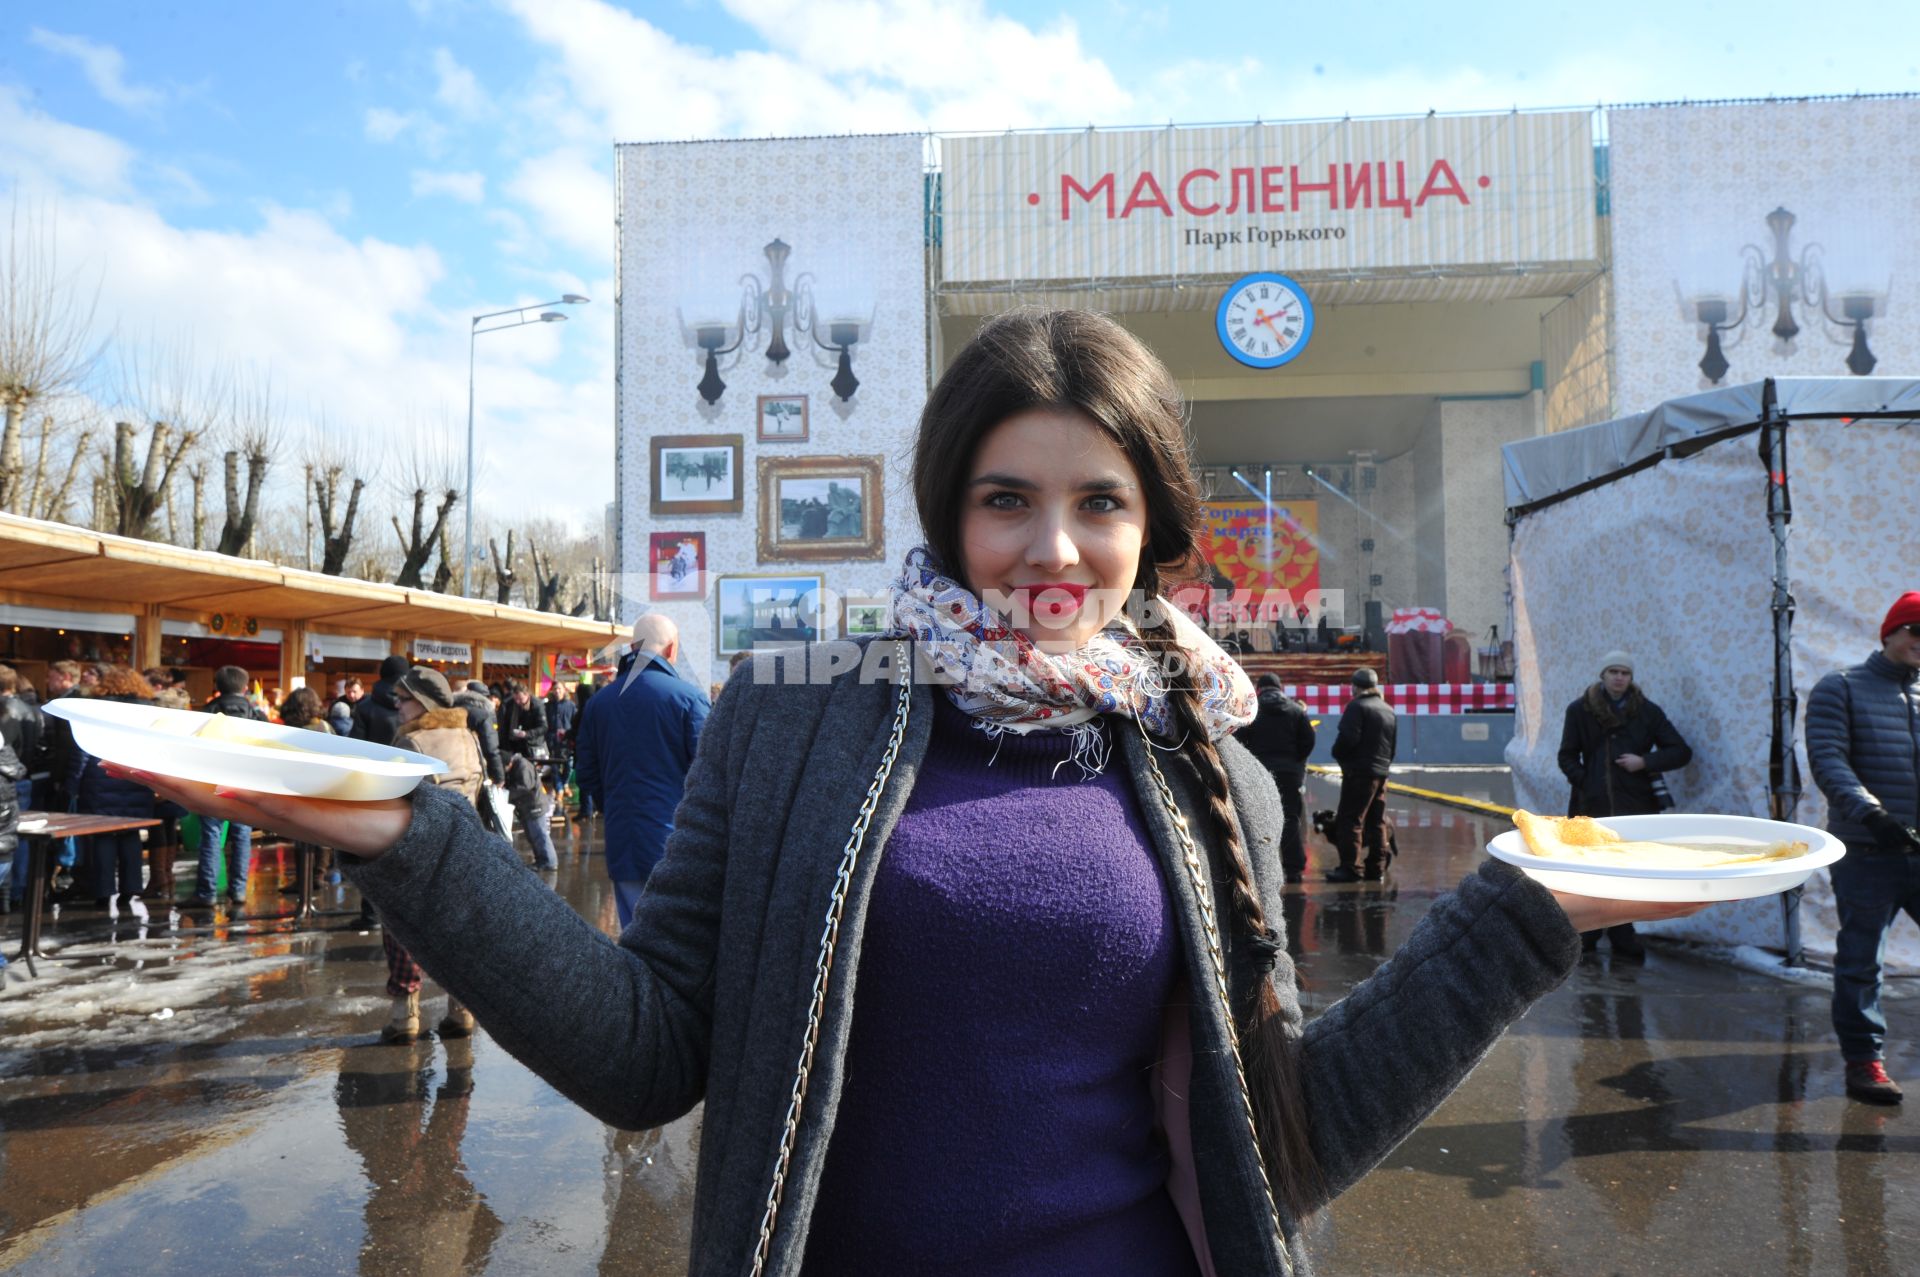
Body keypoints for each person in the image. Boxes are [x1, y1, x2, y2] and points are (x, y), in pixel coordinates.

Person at [122, 310, 1702, 1277]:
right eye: (1005, 499)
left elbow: (1272, 1135)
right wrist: (412, 839)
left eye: (1100, 502)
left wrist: (1520, 917)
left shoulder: (1210, 764)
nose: (1052, 550)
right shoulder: (799, 718)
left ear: (1157, 526)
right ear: (948, 515)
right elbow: (643, 1053)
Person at [1806, 591, 1920, 1106]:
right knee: (1861, 961)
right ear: (1890, 632)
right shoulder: (1842, 688)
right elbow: (1829, 761)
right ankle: (1864, 1061)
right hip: (1868, 853)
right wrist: (1873, 815)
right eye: (1916, 630)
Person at [1555, 650, 1694, 957]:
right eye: (1613, 672)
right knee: (1591, 870)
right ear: (1602, 675)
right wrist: (1586, 781)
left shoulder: (1647, 711)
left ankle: (1623, 932)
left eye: (1625, 673)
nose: (1619, 677)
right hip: (1591, 805)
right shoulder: (1580, 710)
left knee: (1629, 871)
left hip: (1636, 804)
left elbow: (1681, 751)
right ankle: (1588, 934)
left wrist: (1645, 761)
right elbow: (1566, 755)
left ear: (1631, 678)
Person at [574, 615, 710, 929]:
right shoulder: (688, 699)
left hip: (623, 841)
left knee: (635, 939)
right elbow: (709, 775)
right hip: (679, 844)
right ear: (672, 649)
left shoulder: (599, 703)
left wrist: (617, 806)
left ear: (633, 647)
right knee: (679, 943)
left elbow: (587, 773)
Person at [379, 665, 486, 1043]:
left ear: (422, 703)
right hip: (465, 851)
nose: (398, 706)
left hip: (418, 854)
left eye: (403, 698)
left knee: (402, 929)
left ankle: (404, 1016)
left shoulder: (412, 743)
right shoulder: (468, 736)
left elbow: (390, 799)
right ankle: (462, 1011)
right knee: (455, 933)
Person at [67, 665, 158, 908]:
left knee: (103, 836)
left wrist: (72, 783)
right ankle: (131, 887)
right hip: (136, 778)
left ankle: (103, 890)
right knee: (130, 833)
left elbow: (81, 748)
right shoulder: (149, 712)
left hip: (100, 778)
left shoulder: (96, 710)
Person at [195, 664, 265, 909]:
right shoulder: (256, 714)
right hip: (246, 782)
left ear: (216, 686)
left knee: (211, 836)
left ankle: (207, 893)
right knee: (242, 835)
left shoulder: (208, 712)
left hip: (213, 781)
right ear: (245, 688)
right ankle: (238, 891)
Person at [1236, 672, 1316, 883]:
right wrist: (1296, 762)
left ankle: (1261, 868)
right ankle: (1294, 870)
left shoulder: (1252, 712)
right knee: (1290, 819)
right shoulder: (1296, 710)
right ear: (1280, 688)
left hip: (1259, 774)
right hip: (1290, 774)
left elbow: (1239, 743)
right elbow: (1308, 740)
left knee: (1258, 820)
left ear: (1259, 689)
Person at [1326, 666, 1397, 883]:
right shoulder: (1388, 709)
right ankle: (1377, 868)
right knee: (1377, 821)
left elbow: (1347, 739)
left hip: (1359, 773)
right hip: (1381, 772)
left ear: (1355, 687)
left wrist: (1338, 755)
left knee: (1351, 820)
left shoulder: (1356, 707)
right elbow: (1392, 746)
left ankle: (1351, 869)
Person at [351, 655, 409, 747]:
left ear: (382, 673)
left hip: (372, 759)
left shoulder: (364, 707)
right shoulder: (415, 706)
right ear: (406, 676)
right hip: (408, 760)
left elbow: (355, 746)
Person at [498, 679, 547, 761]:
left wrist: (527, 734)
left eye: (520, 698)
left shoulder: (537, 705)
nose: (518, 702)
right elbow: (505, 724)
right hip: (514, 744)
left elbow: (543, 727)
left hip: (532, 745)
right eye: (515, 699)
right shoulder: (510, 704)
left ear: (527, 695)